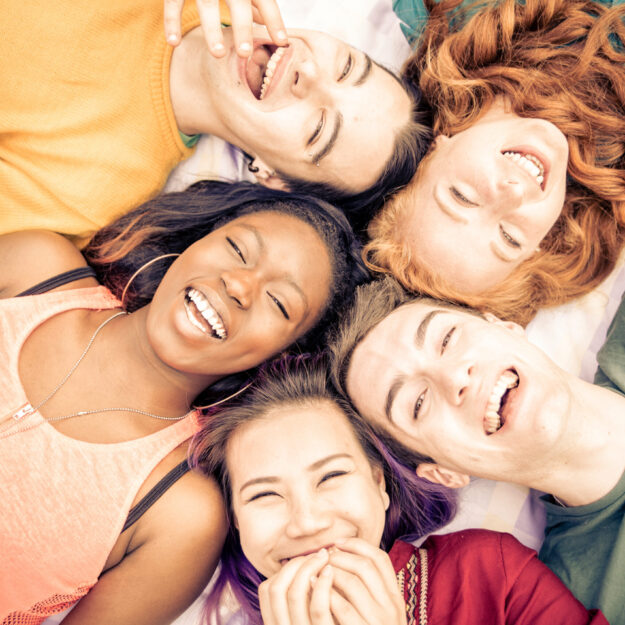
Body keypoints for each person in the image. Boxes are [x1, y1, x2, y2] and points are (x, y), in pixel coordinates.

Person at [0, 180, 367, 625]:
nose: (240, 285)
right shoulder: (34, 271)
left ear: (281, 354)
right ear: (199, 239)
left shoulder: (181, 514)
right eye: (237, 249)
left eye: (279, 302)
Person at [190, 354, 607, 625]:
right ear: (236, 520)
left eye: (331, 477)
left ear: (379, 484)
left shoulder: (490, 571)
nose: (308, 522)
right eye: (264, 496)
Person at [0, 0, 428, 243]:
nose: (310, 75)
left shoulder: (90, 195)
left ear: (272, 176)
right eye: (347, 67)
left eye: (319, 131)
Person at [329, 276, 625, 625]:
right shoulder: (574, 604)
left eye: (447, 339)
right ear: (444, 473)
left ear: (505, 326)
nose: (455, 378)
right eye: (418, 403)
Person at [365, 0, 625, 325]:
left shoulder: (448, 12)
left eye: (462, 197)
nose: (512, 193)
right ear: (541, 243)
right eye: (510, 238)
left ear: (432, 149)